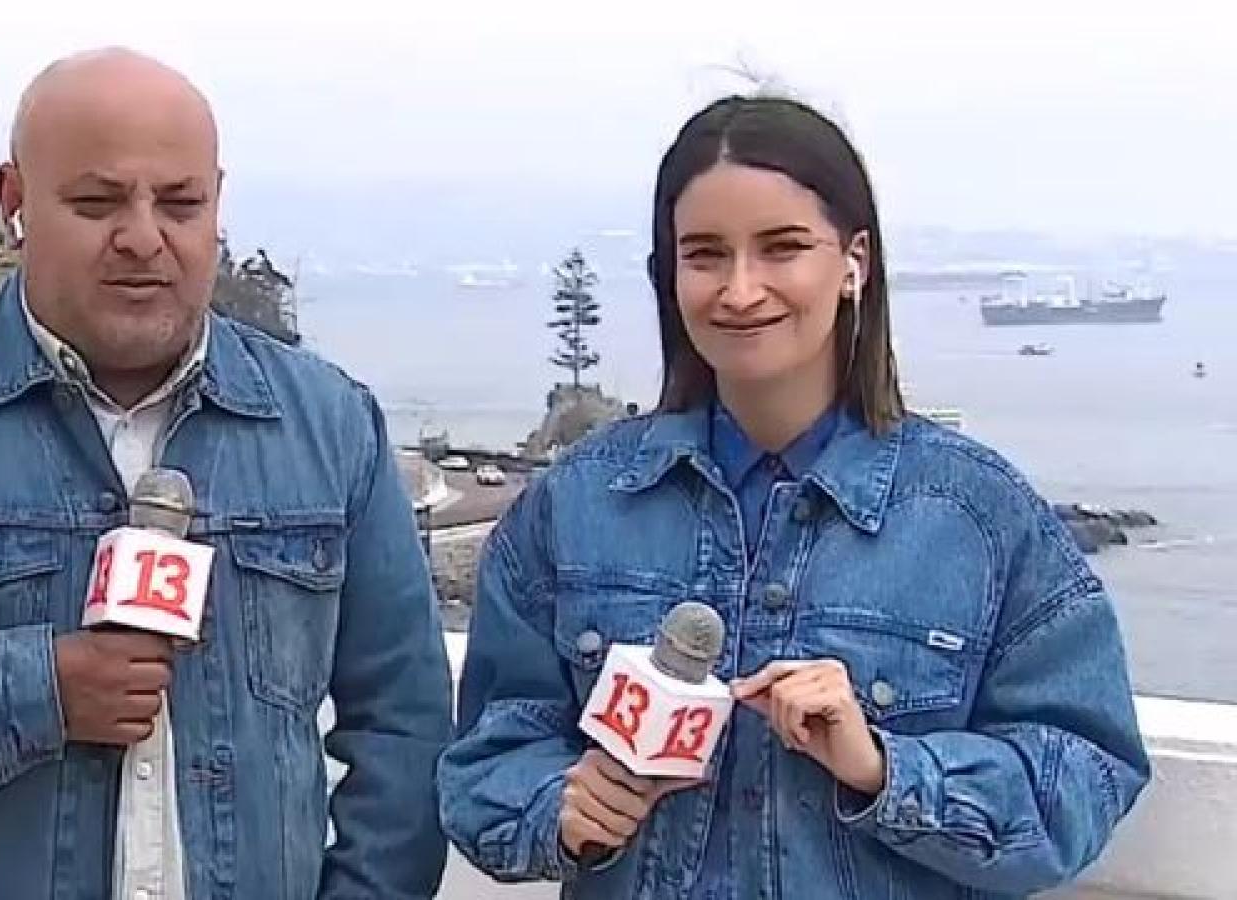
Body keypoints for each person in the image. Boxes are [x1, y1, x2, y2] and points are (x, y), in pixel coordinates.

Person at [0, 47, 453, 900]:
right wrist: (35, 693)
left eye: (181, 203)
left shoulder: (331, 425)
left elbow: (406, 726)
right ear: (14, 202)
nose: (143, 237)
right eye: (98, 203)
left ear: (217, 203)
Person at [437, 94, 1150, 899]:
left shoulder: (979, 519)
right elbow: (484, 760)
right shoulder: (576, 506)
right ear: (668, 275)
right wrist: (561, 806)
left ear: (853, 262)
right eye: (706, 255)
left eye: (782, 248)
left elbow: (1087, 775)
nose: (741, 290)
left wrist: (885, 769)